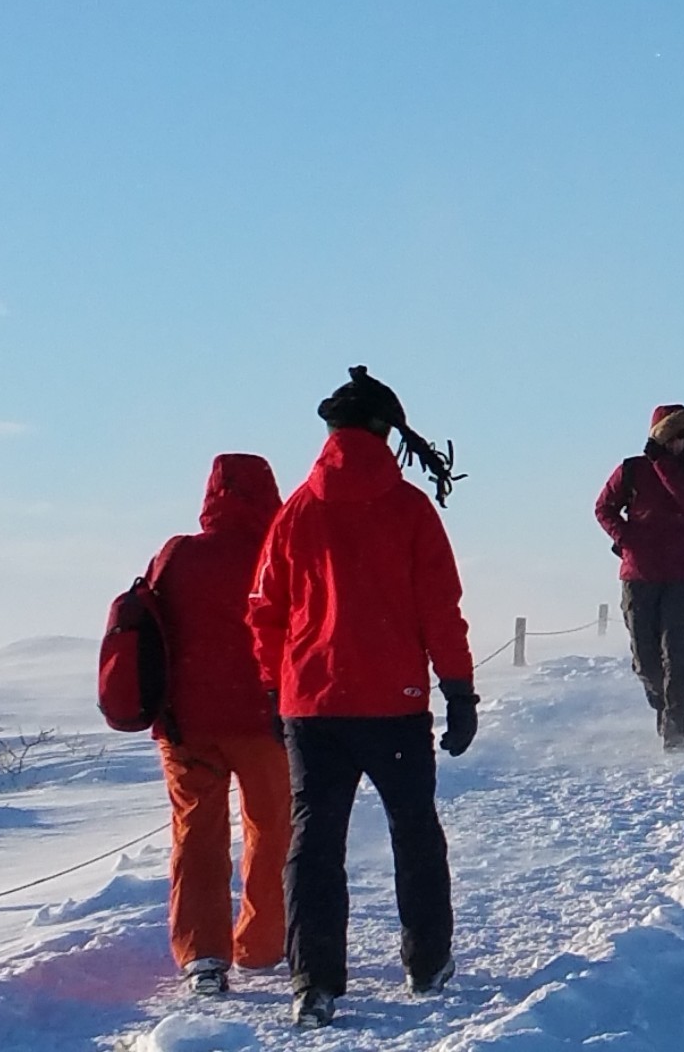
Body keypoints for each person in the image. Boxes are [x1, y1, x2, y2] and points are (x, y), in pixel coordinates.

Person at [249, 366, 477, 1030]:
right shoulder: (410, 509)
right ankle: (427, 963)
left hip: (312, 705)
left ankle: (313, 983)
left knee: (314, 843)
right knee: (414, 831)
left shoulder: (296, 511)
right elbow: (441, 609)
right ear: (386, 432)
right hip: (395, 705)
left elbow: (264, 610)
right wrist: (458, 689)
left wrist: (273, 686)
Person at [149, 454, 289, 997]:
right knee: (272, 831)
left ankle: (202, 955)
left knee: (196, 835)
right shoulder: (280, 554)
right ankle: (261, 944)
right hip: (264, 721)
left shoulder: (177, 554)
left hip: (188, 726)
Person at [595, 404, 684, 750]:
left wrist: (662, 462)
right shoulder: (631, 470)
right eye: (672, 436)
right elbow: (603, 508)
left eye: (683, 438)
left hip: (682, 574)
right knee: (645, 658)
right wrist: (625, 538)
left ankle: (676, 729)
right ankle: (663, 706)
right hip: (638, 575)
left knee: (678, 654)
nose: (678, 443)